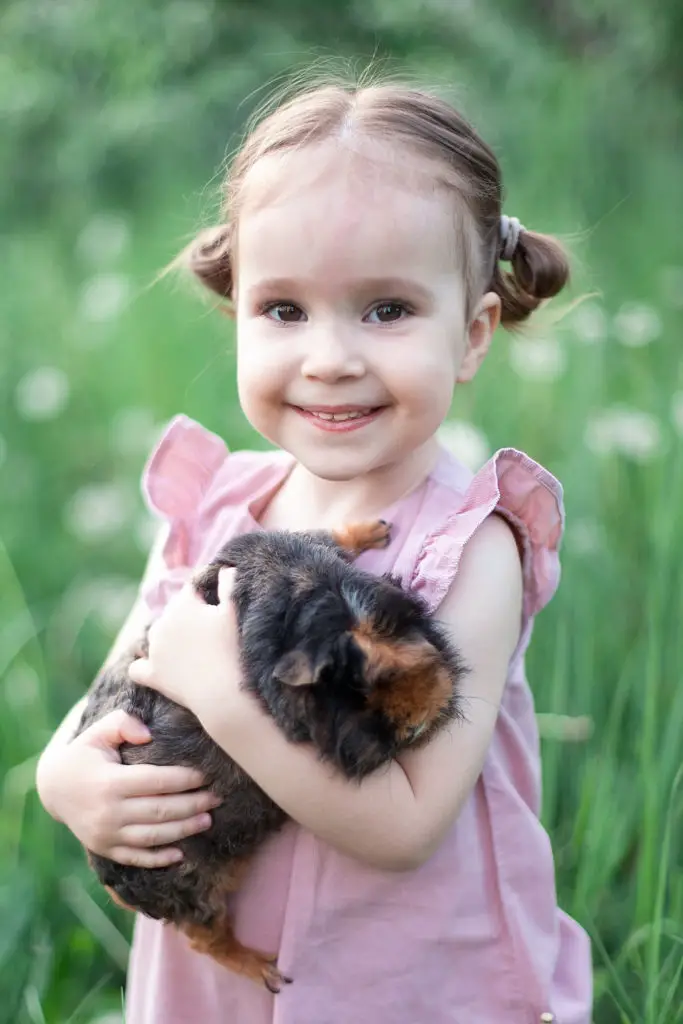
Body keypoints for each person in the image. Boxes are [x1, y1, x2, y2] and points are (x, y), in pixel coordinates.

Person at [36, 76, 593, 1023]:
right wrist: (66, 783)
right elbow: (110, 693)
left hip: (406, 986)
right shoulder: (218, 506)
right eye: (284, 311)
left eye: (385, 310)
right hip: (218, 982)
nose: (329, 357)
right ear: (237, 313)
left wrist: (222, 693)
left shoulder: (472, 547)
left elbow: (408, 826)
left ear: (471, 335)